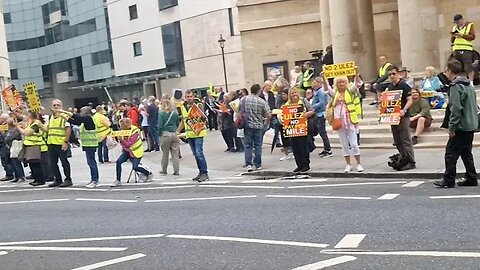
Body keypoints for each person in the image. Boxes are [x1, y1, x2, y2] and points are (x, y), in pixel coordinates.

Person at [434, 60, 478, 188]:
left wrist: (452, 127)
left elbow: (456, 108)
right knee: (466, 153)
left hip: (461, 126)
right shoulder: (468, 85)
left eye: (446, 70)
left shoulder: (455, 86)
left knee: (450, 153)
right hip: (470, 124)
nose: (445, 72)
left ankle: (448, 179)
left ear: (450, 71)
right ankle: (471, 177)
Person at [325, 72, 363, 173]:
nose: (341, 84)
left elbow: (357, 85)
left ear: (346, 83)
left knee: (354, 144)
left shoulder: (350, 91)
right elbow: (327, 89)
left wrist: (356, 75)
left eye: (343, 82)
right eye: (339, 82)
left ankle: (359, 163)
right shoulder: (335, 94)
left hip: (350, 121)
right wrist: (324, 78)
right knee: (344, 145)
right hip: (339, 122)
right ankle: (348, 164)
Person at [59, 106, 100, 188]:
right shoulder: (86, 120)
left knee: (92, 163)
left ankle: (95, 180)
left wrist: (63, 111)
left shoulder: (88, 119)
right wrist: (62, 115)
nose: (80, 114)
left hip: (90, 144)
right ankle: (94, 179)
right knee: (91, 162)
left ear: (85, 113)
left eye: (81, 112)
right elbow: (75, 121)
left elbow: (76, 117)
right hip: (88, 144)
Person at [386, 65, 416, 170]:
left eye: (393, 73)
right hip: (393, 116)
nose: (392, 76)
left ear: (398, 73)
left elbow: (410, 99)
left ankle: (411, 161)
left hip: (403, 116)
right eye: (390, 74)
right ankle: (403, 159)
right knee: (397, 140)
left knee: (406, 140)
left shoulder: (404, 85)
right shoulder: (390, 87)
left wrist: (404, 110)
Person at [177, 89, 209, 182]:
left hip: (198, 132)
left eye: (191, 96)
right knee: (195, 154)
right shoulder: (183, 106)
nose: (189, 98)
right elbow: (184, 120)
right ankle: (200, 171)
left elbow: (202, 118)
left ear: (194, 96)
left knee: (199, 153)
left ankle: (204, 173)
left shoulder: (198, 105)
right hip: (189, 133)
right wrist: (178, 131)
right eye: (187, 97)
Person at [111, 118, 153, 187]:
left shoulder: (135, 131)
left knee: (135, 167)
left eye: (122, 126)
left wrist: (121, 140)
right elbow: (123, 144)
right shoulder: (122, 131)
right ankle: (118, 180)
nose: (121, 128)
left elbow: (129, 143)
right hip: (127, 151)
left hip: (136, 151)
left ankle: (148, 173)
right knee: (118, 162)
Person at [284, 87, 315, 173]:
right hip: (292, 130)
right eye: (292, 93)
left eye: (295, 93)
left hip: (302, 128)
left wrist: (305, 114)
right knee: (295, 148)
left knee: (303, 148)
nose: (294, 94)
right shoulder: (287, 104)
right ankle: (299, 165)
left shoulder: (304, 101)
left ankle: (305, 165)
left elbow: (312, 111)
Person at [243, 84, 271, 172]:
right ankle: (258, 164)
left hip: (247, 125)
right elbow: (268, 114)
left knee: (248, 146)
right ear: (258, 91)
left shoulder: (244, 99)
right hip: (259, 125)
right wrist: (265, 121)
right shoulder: (262, 101)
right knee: (258, 145)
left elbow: (239, 110)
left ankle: (248, 164)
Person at [17, 112, 49, 186]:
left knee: (35, 164)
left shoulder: (36, 124)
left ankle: (40, 180)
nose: (27, 117)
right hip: (30, 145)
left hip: (34, 145)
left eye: (28, 115)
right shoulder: (31, 123)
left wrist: (18, 127)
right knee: (32, 164)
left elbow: (27, 133)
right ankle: (36, 179)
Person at [46, 99, 73, 187]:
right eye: (54, 105)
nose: (56, 107)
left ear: (61, 106)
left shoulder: (64, 116)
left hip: (61, 143)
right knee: (52, 163)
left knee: (64, 162)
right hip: (51, 143)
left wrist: (65, 142)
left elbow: (68, 129)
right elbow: (48, 129)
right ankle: (57, 179)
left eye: (58, 105)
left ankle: (68, 179)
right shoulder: (51, 117)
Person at [311, 77, 332, 158]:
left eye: (314, 82)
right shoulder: (317, 91)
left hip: (321, 114)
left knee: (323, 133)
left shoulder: (320, 91)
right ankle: (326, 149)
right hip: (319, 114)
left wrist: (312, 106)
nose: (313, 84)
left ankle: (328, 150)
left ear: (319, 83)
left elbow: (322, 103)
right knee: (321, 132)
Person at [451, 14, 476, 82]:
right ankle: (461, 82)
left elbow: (472, 37)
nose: (457, 24)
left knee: (468, 66)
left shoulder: (470, 25)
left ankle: (471, 82)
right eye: (456, 22)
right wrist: (454, 35)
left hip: (466, 49)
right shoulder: (454, 28)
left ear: (462, 19)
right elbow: (452, 40)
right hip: (457, 49)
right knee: (457, 67)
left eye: (458, 22)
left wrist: (462, 35)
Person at [158, 99, 180, 176]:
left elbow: (160, 125)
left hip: (165, 134)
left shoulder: (161, 113)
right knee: (175, 154)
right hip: (174, 133)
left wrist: (159, 134)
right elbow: (178, 123)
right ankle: (176, 170)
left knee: (165, 154)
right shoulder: (175, 113)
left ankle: (164, 170)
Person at [4, 118, 25, 183]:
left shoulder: (15, 130)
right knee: (13, 162)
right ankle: (16, 176)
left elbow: (10, 137)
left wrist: (6, 137)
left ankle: (21, 176)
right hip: (11, 147)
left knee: (16, 162)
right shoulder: (9, 130)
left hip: (16, 147)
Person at [0, 114, 14, 182]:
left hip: (5, 145)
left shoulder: (6, 126)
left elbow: (5, 137)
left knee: (6, 160)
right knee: (6, 160)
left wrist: (2, 132)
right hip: (4, 145)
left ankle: (9, 174)